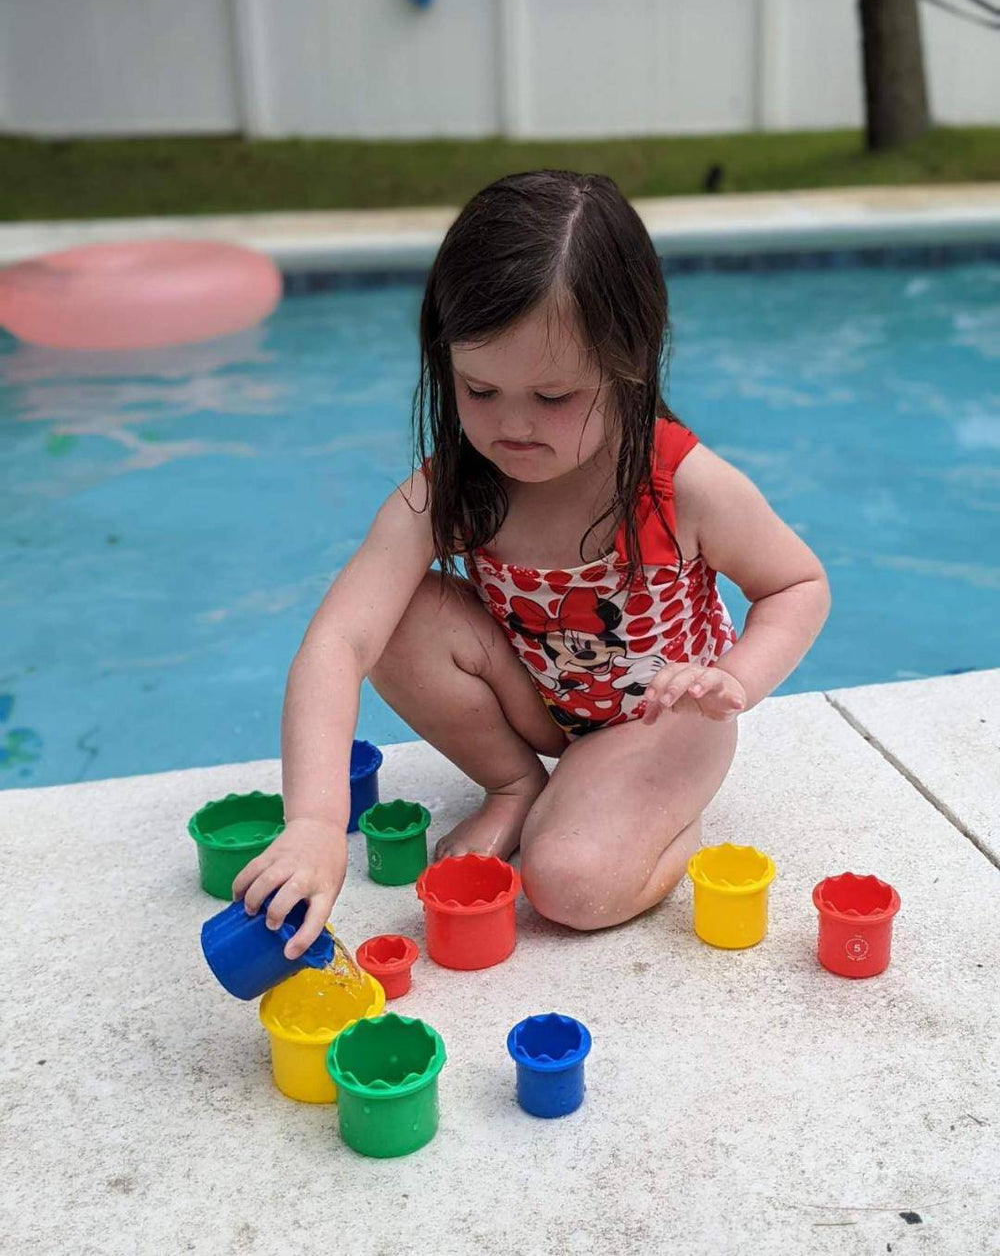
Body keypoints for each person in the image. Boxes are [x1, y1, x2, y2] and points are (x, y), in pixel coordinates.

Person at [233, 170, 830, 959]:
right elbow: (337, 642)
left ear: (629, 365)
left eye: (552, 396)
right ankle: (518, 782)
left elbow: (798, 583)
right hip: (539, 698)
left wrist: (737, 681)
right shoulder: (453, 490)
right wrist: (311, 822)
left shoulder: (679, 484)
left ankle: (655, 814)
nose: (511, 425)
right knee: (395, 615)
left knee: (570, 885)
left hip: (663, 716)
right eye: (479, 388)